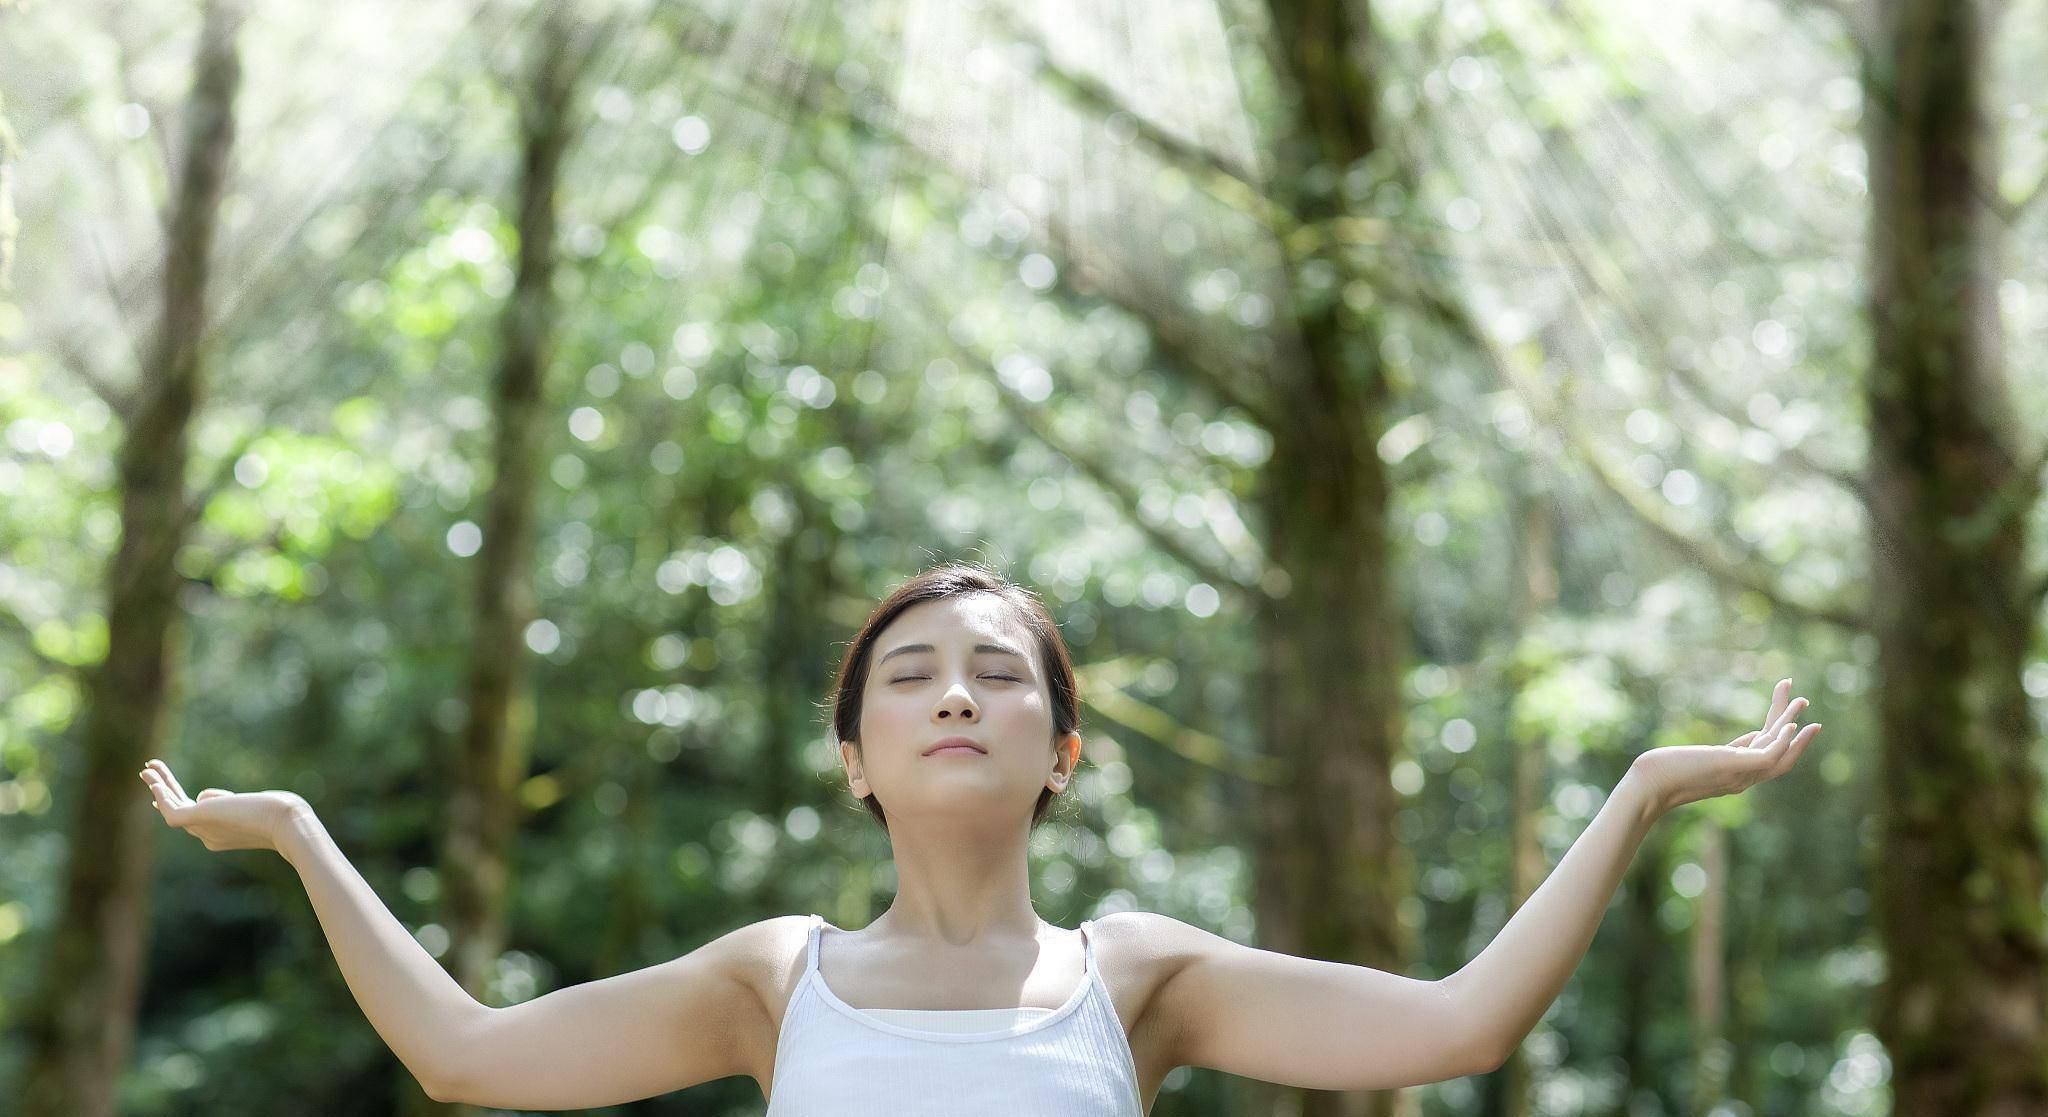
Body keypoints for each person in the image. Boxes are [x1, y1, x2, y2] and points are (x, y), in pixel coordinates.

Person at [140, 560, 1820, 1113]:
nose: (956, 695)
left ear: (1062, 752)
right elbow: (468, 1056)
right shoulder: (772, 978)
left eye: (1000, 675)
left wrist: (1645, 789)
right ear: (856, 755)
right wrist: (297, 832)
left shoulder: (1140, 975)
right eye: (912, 676)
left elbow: (1458, 1024)